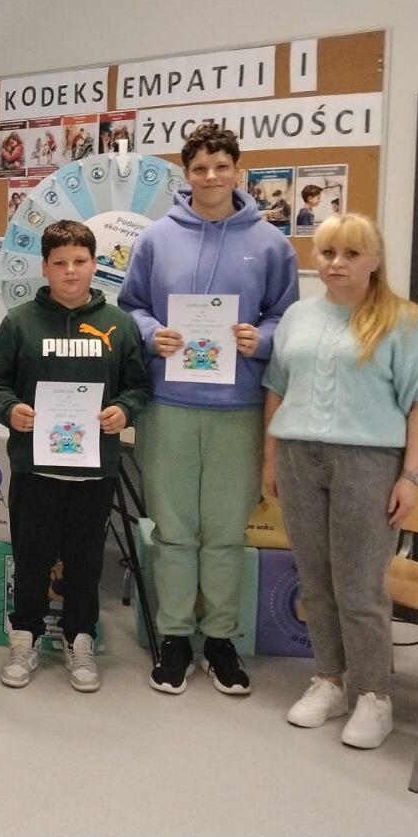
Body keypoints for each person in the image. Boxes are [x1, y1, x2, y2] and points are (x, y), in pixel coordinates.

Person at [119, 122, 298, 696]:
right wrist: (152, 335)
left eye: (222, 167)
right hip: (167, 404)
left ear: (238, 171)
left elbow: (286, 316)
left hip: (238, 406)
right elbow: (131, 307)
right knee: (172, 530)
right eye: (200, 168)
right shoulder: (156, 239)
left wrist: (260, 339)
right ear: (187, 173)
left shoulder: (271, 244)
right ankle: (174, 636)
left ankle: (220, 639)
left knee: (224, 532)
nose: (211, 177)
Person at [262, 214, 418, 749]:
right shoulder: (298, 316)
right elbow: (276, 387)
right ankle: (330, 681)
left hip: (368, 463)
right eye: (327, 253)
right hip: (298, 458)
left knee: (359, 588)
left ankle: (373, 695)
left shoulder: (403, 322)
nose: (336, 263)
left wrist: (411, 476)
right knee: (316, 581)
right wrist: (270, 458)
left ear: (374, 261)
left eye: (350, 254)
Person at [0, 219, 151, 692]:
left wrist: (124, 410)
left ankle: (81, 639)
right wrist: (10, 409)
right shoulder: (19, 322)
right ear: (45, 267)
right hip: (35, 466)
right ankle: (25, 636)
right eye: (60, 263)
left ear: (95, 264)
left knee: (86, 560)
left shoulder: (119, 325)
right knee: (31, 558)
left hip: (94, 470)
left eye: (80, 261)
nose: (70, 271)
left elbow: (138, 386)